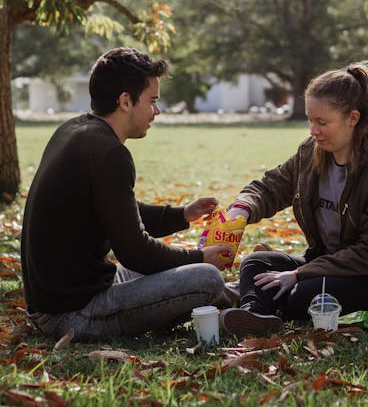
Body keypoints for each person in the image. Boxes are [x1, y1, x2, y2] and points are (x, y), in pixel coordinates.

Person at [220, 62, 368, 337]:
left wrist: (299, 274)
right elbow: (272, 186)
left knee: (306, 293)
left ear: (353, 118)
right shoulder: (311, 152)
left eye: (322, 122)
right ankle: (255, 315)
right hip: (329, 264)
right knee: (257, 264)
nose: (313, 130)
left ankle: (254, 300)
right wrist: (241, 209)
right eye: (310, 120)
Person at [21, 47, 229, 341]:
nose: (157, 111)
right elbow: (135, 252)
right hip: (73, 313)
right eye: (153, 101)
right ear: (125, 101)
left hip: (63, 297)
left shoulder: (74, 130)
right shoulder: (110, 153)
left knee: (193, 273)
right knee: (207, 277)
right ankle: (224, 304)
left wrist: (183, 214)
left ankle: (241, 305)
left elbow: (117, 211)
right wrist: (199, 257)